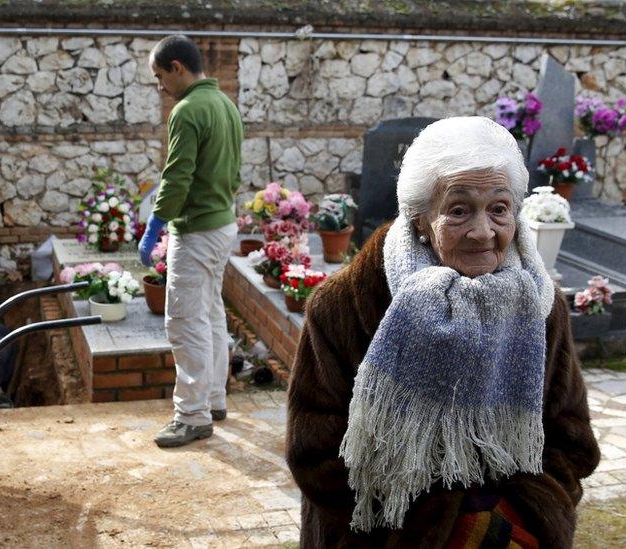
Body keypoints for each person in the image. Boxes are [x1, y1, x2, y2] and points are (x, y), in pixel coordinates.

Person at [286, 117, 600, 547]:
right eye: (458, 209)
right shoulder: (345, 305)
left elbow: (571, 438)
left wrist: (517, 515)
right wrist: (444, 525)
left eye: (499, 208)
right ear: (419, 218)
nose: (483, 231)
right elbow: (316, 454)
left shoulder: (540, 305)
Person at [138, 35, 244, 448]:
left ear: (177, 67)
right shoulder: (226, 106)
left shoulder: (187, 110)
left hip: (197, 229)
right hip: (222, 225)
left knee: (184, 321)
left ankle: (192, 415)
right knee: (211, 313)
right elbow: (233, 172)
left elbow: (177, 176)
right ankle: (214, 399)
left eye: (160, 76)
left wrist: (156, 224)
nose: (160, 86)